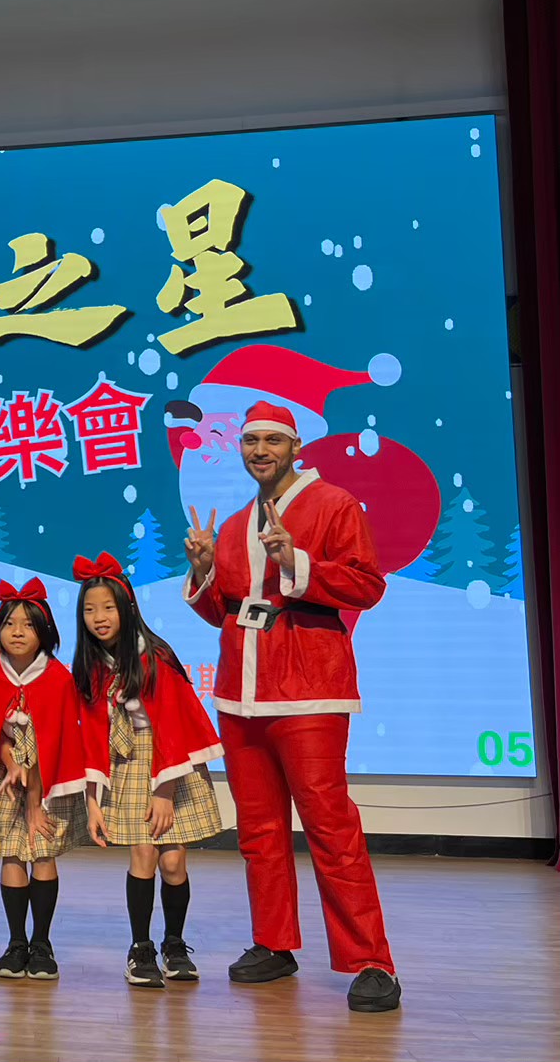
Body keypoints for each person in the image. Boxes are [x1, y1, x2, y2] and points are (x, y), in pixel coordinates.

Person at [184, 400, 400, 1013]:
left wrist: (296, 562)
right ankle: (274, 942)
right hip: (241, 694)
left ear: (295, 446)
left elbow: (367, 584)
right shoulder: (234, 525)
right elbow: (225, 612)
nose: (260, 451)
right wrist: (204, 572)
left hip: (309, 689)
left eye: (272, 441)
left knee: (330, 825)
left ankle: (370, 961)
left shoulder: (334, 505)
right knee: (259, 829)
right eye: (251, 441)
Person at [74, 553, 224, 989]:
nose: (99, 618)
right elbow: (91, 737)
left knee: (173, 862)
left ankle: (174, 944)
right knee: (143, 854)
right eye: (90, 609)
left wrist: (164, 791)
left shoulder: (154, 657)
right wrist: (91, 800)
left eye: (108, 607)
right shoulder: (91, 667)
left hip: (169, 766)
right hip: (127, 766)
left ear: (127, 607)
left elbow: (174, 726)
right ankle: (141, 949)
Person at [0, 578, 89, 981]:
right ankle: (16, 942)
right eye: (10, 623)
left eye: (28, 624)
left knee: (41, 851)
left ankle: (41, 943)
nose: (18, 632)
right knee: (12, 854)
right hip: (5, 780)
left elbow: (56, 738)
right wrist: (10, 763)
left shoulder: (58, 677)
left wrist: (35, 799)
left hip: (48, 779)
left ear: (44, 631)